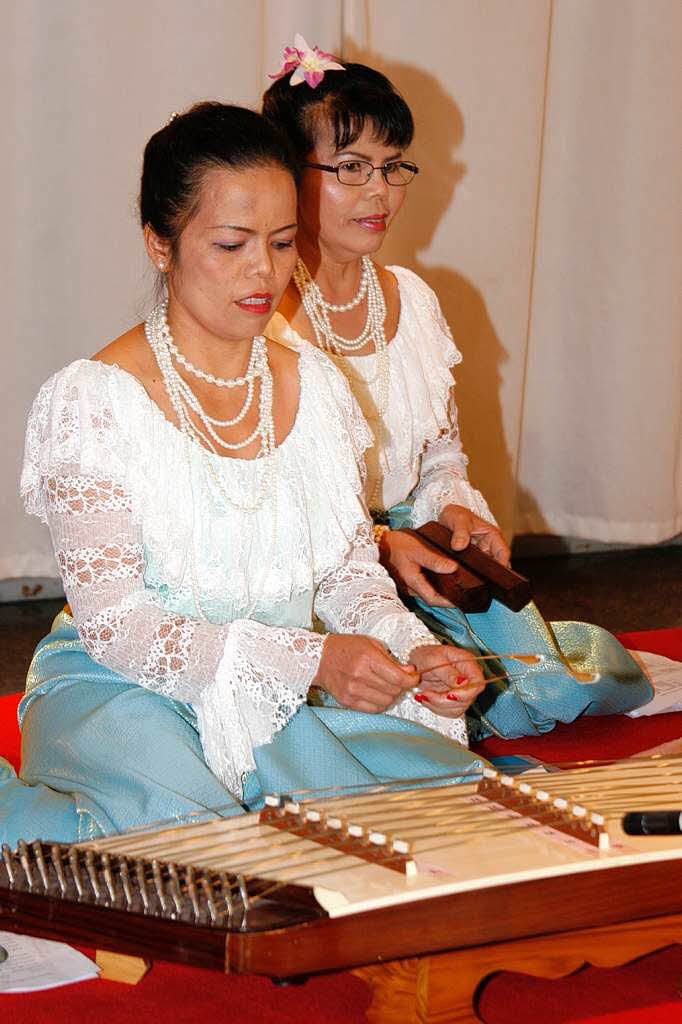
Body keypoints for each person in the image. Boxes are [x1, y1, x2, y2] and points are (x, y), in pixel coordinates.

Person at [0, 103, 488, 850]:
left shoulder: (317, 389)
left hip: (269, 693)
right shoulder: (93, 401)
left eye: (285, 242)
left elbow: (346, 574)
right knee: (195, 851)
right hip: (124, 690)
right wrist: (315, 659)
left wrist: (405, 648)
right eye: (231, 245)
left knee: (436, 818)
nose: (265, 272)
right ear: (160, 245)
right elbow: (118, 627)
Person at [262, 49, 653, 739]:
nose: (378, 192)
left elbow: (442, 455)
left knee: (547, 682)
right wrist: (380, 545)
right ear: (287, 175)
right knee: (392, 717)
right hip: (310, 576)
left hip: (420, 555)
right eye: (350, 168)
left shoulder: (411, 299)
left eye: (392, 166)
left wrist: (458, 510)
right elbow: (261, 501)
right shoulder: (260, 314)